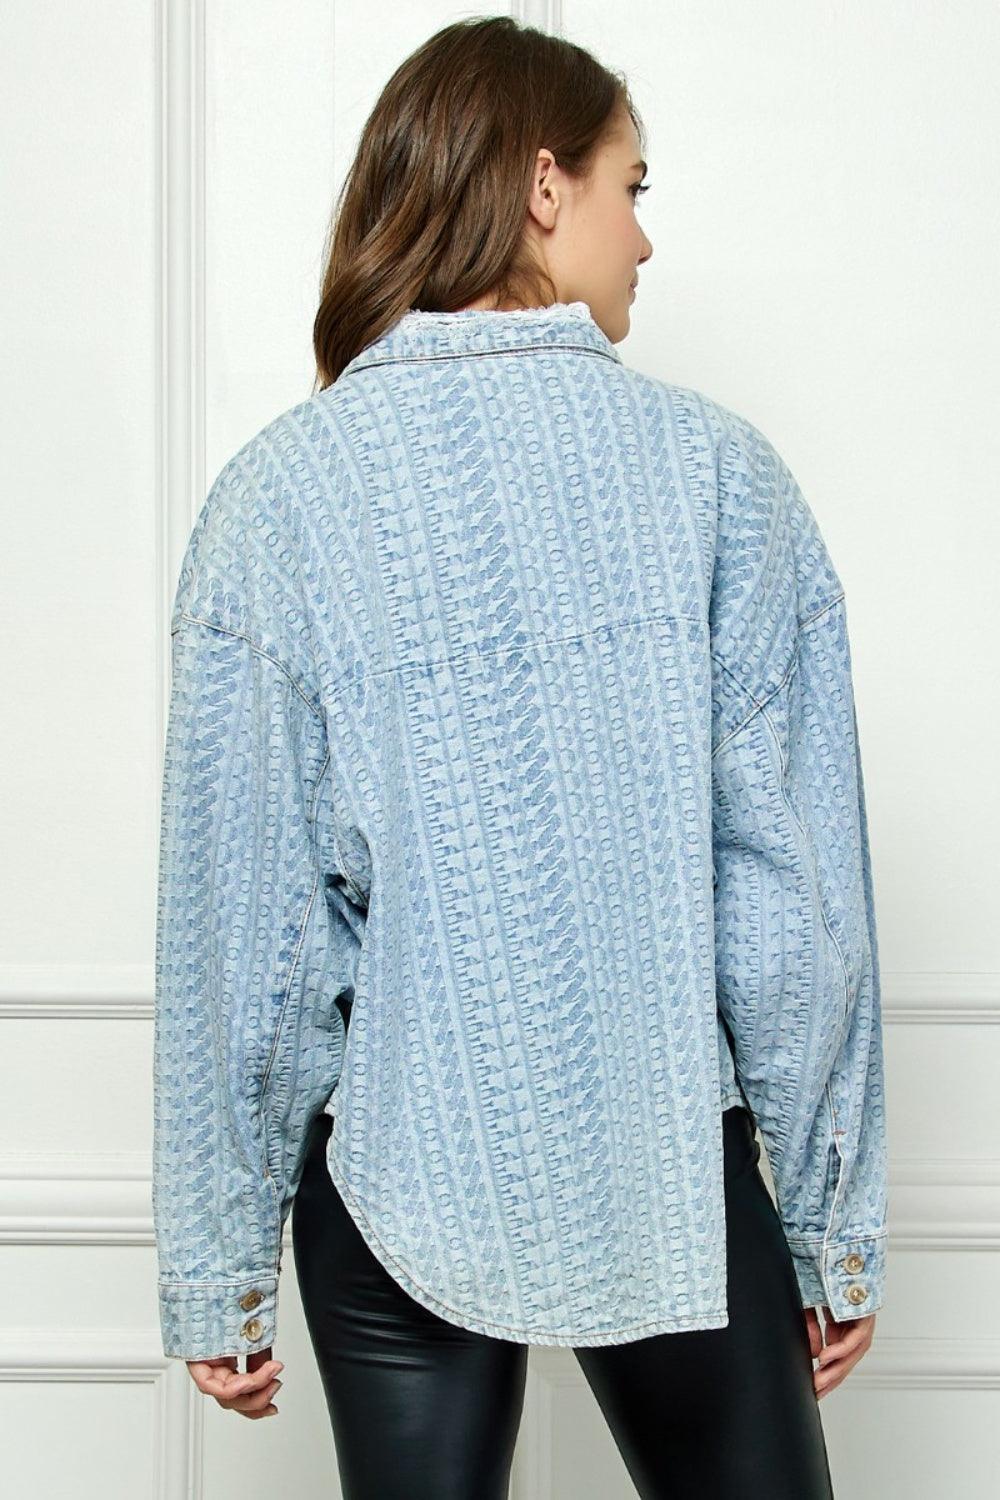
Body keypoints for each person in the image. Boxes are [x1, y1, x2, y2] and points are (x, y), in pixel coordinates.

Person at [152, 16, 888, 1499]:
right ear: (545, 185)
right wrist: (830, 1223)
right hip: (668, 1162)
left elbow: (256, 932)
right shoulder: (720, 476)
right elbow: (791, 908)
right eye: (633, 186)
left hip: (393, 1174)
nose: (646, 238)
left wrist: (218, 1261)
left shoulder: (278, 499)